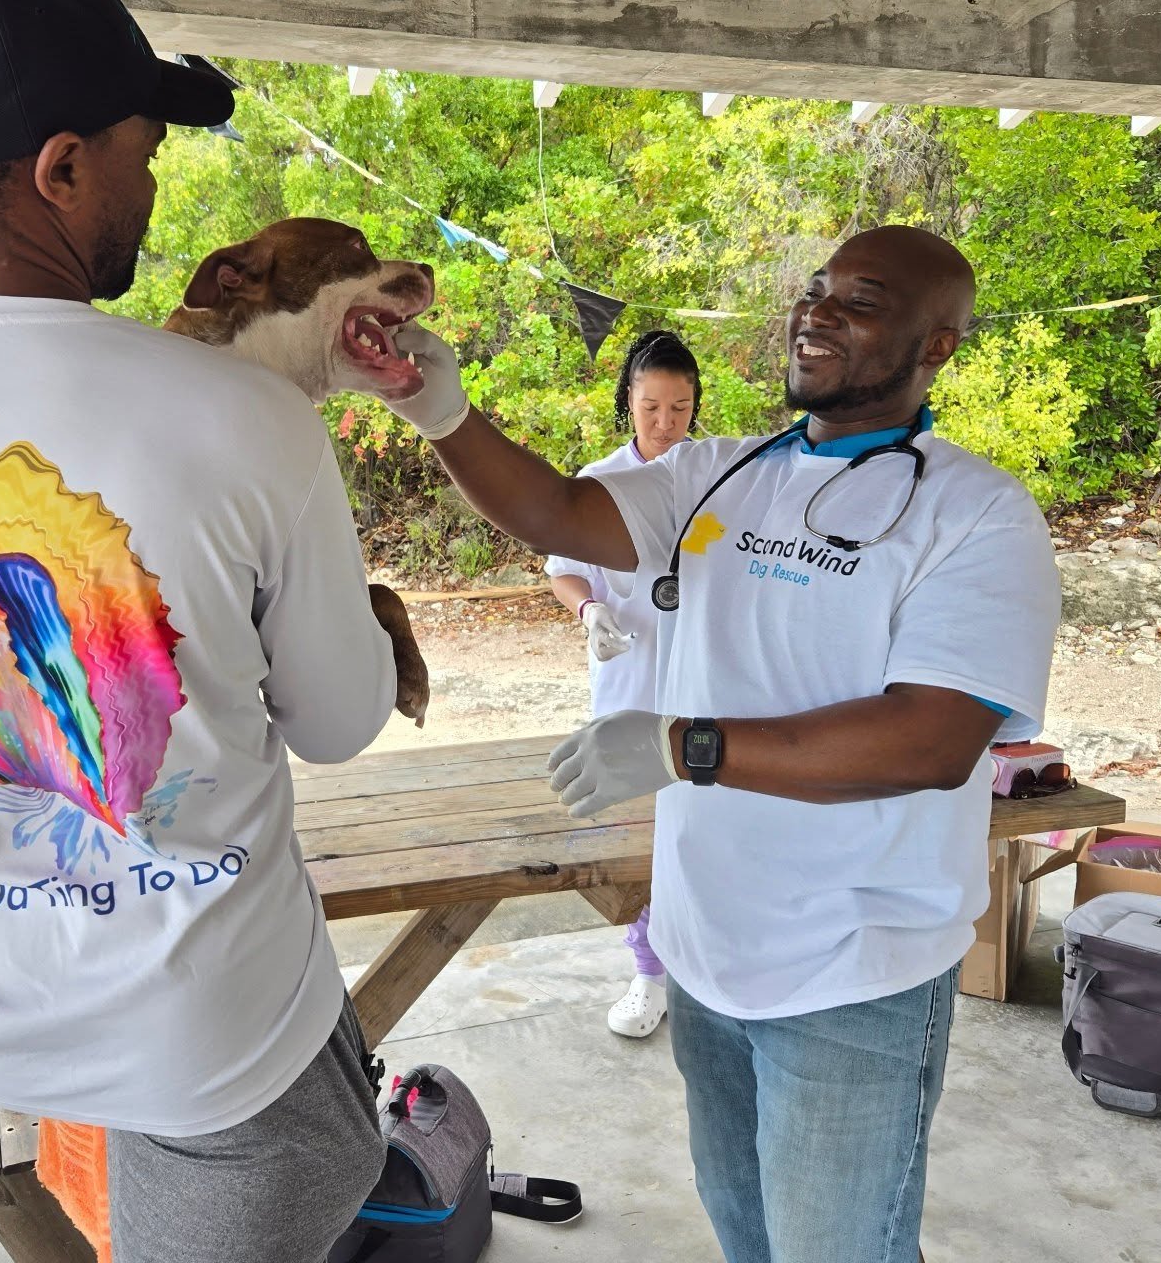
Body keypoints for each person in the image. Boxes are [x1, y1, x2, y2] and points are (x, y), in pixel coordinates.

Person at [0, 0, 392, 1263]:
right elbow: (338, 724)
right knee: (295, 1141)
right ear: (61, 168)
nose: (153, 187)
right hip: (209, 1049)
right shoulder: (247, 418)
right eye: (143, 151)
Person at [381, 226, 1060, 1263]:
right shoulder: (719, 473)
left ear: (939, 348)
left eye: (862, 300)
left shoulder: (977, 515)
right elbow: (553, 508)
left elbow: (930, 741)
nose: (818, 311)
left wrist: (684, 744)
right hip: (707, 952)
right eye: (818, 290)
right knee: (746, 1236)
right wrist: (441, 411)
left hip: (853, 975)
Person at [545, 330, 701, 1038]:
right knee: (640, 837)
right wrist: (591, 607)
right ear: (627, 406)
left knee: (701, 830)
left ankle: (697, 967)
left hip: (705, 682)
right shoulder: (599, 480)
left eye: (680, 407)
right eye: (650, 408)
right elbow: (562, 567)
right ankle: (647, 973)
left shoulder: (718, 475)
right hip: (630, 675)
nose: (665, 424)